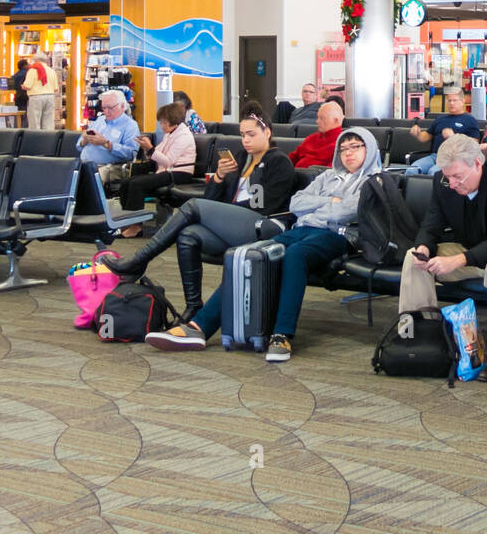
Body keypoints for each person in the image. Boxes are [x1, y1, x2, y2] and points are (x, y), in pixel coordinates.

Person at [145, 127, 380, 359]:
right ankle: (199, 328)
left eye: (355, 147)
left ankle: (282, 335)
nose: (348, 153)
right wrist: (331, 201)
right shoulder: (327, 176)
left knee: (295, 255)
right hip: (302, 228)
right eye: (343, 148)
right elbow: (297, 203)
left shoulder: (373, 181)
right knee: (252, 254)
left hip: (338, 236)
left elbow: (347, 212)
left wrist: (318, 206)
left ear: (368, 150)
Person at [107, 112, 295, 318]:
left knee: (193, 206)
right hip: (233, 224)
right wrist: (219, 177)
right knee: (188, 235)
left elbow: (264, 206)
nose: (246, 140)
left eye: (251, 134)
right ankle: (193, 305)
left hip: (262, 226)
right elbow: (212, 200)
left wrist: (225, 210)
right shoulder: (241, 158)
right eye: (242, 135)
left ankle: (139, 260)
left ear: (267, 132)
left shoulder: (279, 162)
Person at [398, 135, 487, 382]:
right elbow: (432, 223)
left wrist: (459, 260)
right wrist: (423, 246)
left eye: (457, 177)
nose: (451, 184)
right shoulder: (442, 181)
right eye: (447, 176)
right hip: (469, 248)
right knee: (414, 259)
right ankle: (423, 339)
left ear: (477, 164)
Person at [118, 102, 198, 232]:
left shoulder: (184, 136)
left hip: (179, 174)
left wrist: (150, 149)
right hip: (167, 172)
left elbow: (168, 161)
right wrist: (146, 149)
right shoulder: (170, 134)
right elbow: (157, 153)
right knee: (127, 182)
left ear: (173, 122)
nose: (161, 125)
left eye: (164, 122)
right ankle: (127, 221)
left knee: (137, 184)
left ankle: (135, 226)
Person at [406, 89, 482, 174]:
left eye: (455, 100)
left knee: (433, 173)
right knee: (411, 170)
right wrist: (418, 134)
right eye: (449, 100)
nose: (451, 103)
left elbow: (474, 144)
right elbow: (426, 137)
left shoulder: (470, 120)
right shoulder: (440, 119)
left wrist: (453, 137)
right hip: (435, 156)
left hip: (454, 158)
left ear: (462, 101)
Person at [75, 89, 140, 181]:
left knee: (88, 179)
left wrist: (106, 144)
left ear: (122, 106)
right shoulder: (99, 120)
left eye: (110, 108)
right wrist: (84, 141)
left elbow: (130, 154)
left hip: (107, 167)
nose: (106, 111)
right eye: (104, 108)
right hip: (84, 164)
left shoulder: (130, 125)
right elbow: (78, 146)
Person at [288, 101, 345, 169]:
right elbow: (291, 159)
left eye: (322, 118)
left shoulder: (342, 144)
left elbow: (330, 173)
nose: (317, 121)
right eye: (317, 117)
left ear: (335, 120)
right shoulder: (311, 138)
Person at [24, 59, 59, 131]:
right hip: (50, 96)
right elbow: (56, 88)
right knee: (48, 121)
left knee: (35, 121)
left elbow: (27, 86)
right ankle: (49, 139)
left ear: (36, 60)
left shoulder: (33, 70)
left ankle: (36, 139)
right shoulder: (51, 71)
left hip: (36, 97)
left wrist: (23, 86)